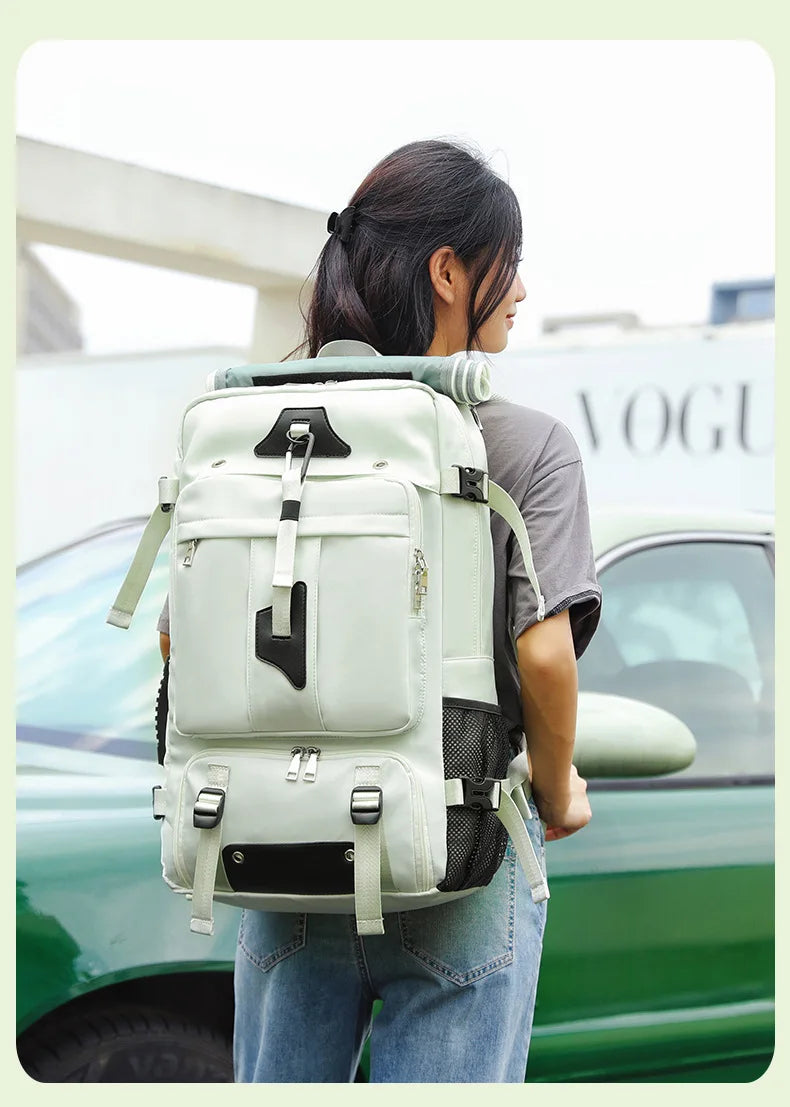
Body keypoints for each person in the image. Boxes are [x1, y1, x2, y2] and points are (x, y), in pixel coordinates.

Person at [156, 137, 601, 1083]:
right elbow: (546, 657)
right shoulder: (522, 443)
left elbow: (174, 634)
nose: (520, 289)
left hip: (279, 857)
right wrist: (560, 789)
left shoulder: (260, 428)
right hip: (458, 856)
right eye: (507, 263)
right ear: (450, 273)